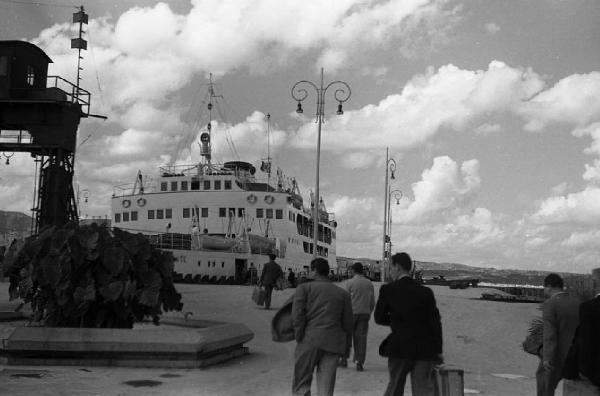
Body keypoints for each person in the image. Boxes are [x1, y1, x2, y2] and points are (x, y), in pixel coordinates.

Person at [374, 252, 443, 396]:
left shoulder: (388, 290)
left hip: (399, 346)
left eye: (390, 268)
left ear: (398, 268)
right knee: (422, 390)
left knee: (394, 388)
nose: (390, 271)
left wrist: (397, 321)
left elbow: (379, 318)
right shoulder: (426, 292)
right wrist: (438, 350)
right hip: (425, 348)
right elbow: (435, 324)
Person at [291, 257, 353, 396]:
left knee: (301, 383)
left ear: (315, 271)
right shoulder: (343, 294)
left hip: (309, 341)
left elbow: (297, 316)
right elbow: (348, 324)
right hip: (332, 344)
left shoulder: (304, 288)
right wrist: (346, 349)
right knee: (326, 388)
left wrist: (299, 336)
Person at [536, 273, 580, 396]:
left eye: (544, 287)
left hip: (556, 355)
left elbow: (550, 334)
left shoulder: (550, 304)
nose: (545, 291)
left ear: (549, 287)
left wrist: (547, 358)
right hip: (575, 356)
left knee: (544, 386)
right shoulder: (578, 303)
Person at [340, 262, 375, 371]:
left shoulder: (350, 283)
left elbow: (345, 300)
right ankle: (359, 362)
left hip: (351, 313)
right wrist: (369, 311)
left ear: (354, 271)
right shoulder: (369, 283)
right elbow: (372, 301)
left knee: (347, 336)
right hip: (364, 313)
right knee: (361, 338)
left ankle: (344, 358)